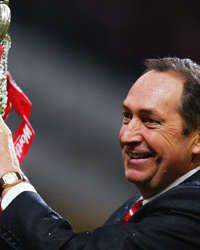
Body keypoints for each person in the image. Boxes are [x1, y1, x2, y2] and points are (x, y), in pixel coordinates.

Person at [1, 57, 200, 250]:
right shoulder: (136, 210)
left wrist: (9, 178)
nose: (128, 136)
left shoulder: (192, 210)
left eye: (150, 121)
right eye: (127, 117)